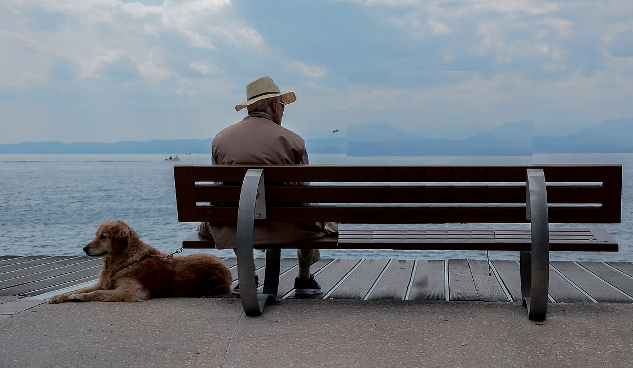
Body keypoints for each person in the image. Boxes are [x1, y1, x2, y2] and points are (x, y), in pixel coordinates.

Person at [198, 76, 334, 296]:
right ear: (273, 106)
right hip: (287, 226)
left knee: (230, 209)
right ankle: (304, 277)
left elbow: (218, 188)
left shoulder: (220, 140)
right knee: (312, 208)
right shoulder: (294, 141)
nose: (283, 111)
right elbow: (304, 189)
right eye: (282, 105)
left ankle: (246, 274)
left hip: (234, 224)